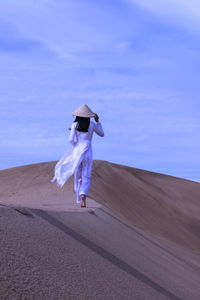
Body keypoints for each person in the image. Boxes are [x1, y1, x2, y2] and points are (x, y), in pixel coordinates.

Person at [51, 104, 104, 208]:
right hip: (88, 153)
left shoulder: (75, 125)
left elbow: (70, 140)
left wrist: (75, 139)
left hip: (77, 153)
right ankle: (83, 198)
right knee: (86, 176)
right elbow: (102, 134)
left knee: (78, 175)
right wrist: (98, 121)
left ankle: (79, 197)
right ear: (89, 116)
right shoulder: (92, 125)